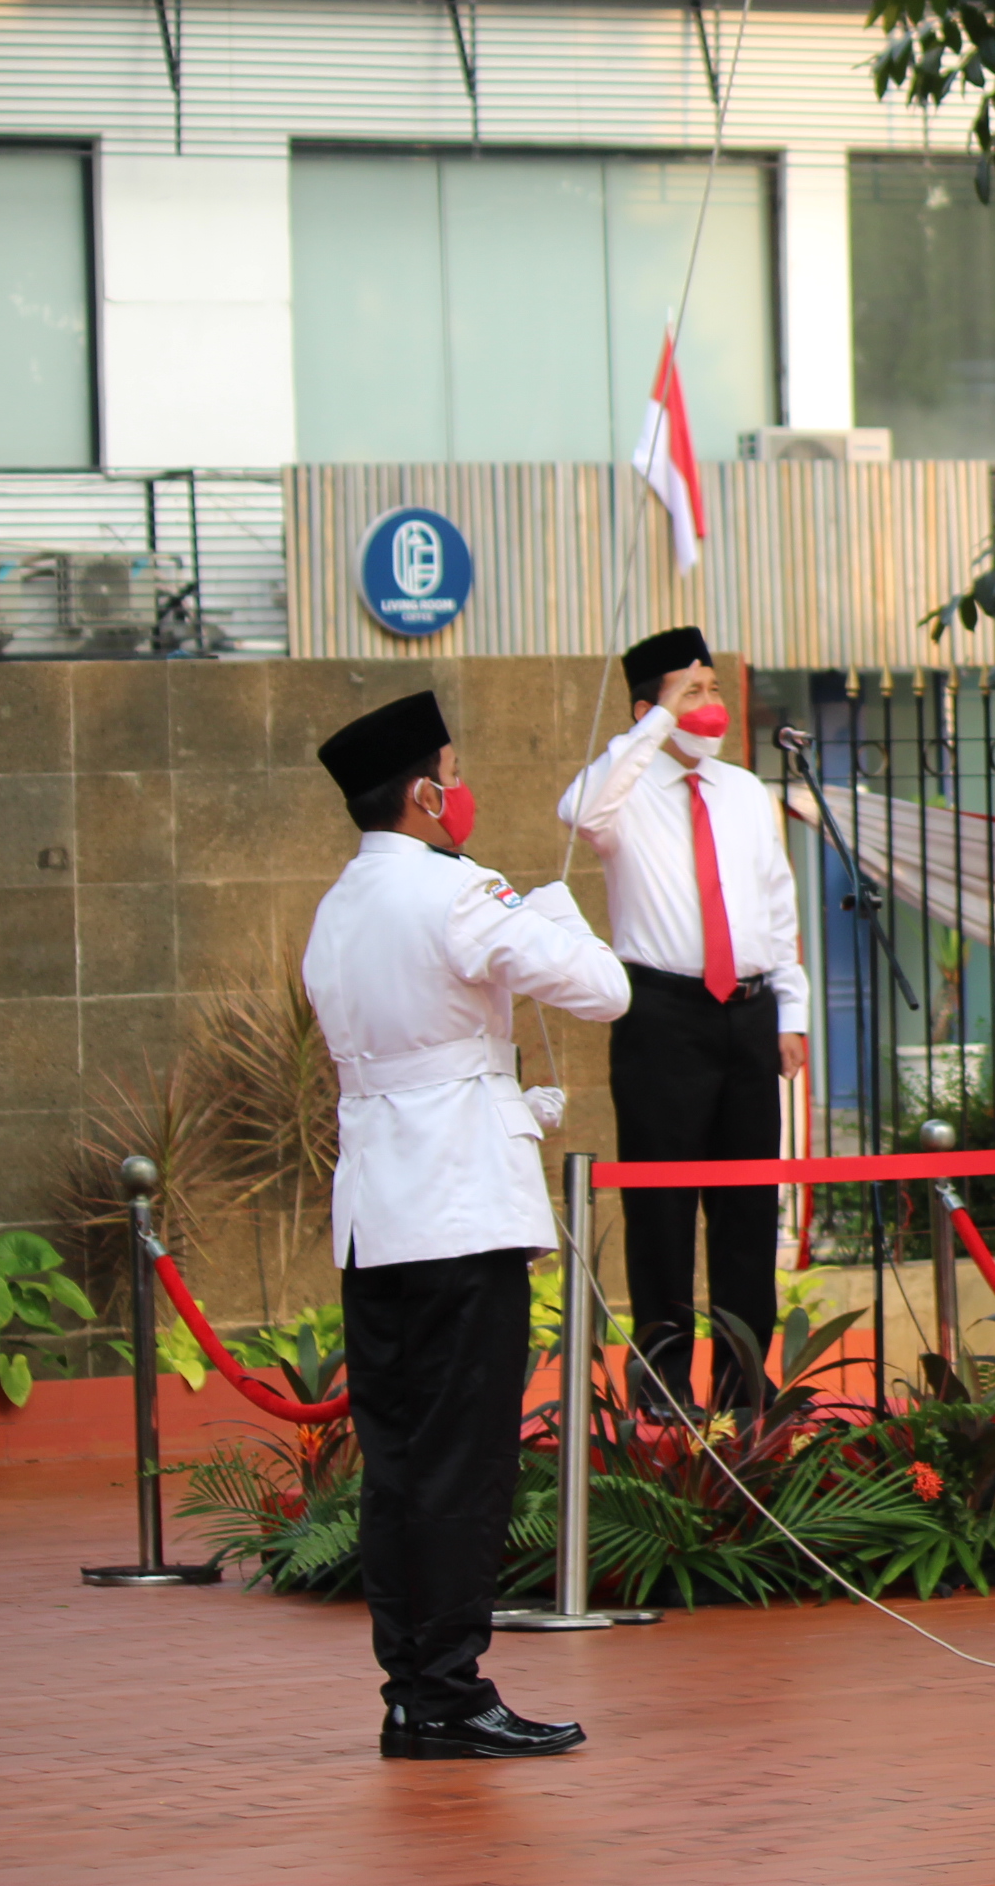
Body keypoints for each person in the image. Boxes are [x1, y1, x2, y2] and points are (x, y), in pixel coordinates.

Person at [304, 689, 629, 1759]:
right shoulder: (452, 893)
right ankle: (447, 1692)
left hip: (379, 1218)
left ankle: (415, 1687)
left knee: (400, 1466)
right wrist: (547, 910)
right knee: (464, 1463)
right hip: (458, 1214)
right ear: (425, 793)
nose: (462, 788)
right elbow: (604, 989)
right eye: (452, 768)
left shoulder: (339, 906)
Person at [557, 628, 809, 1418]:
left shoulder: (743, 792)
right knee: (661, 1211)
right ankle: (662, 1388)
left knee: (746, 1211)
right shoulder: (621, 794)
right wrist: (652, 729)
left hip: (749, 1012)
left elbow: (777, 905)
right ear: (649, 707)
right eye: (690, 690)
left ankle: (744, 1383)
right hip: (662, 1015)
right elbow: (578, 808)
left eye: (712, 689)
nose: (710, 706)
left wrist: (791, 1009)